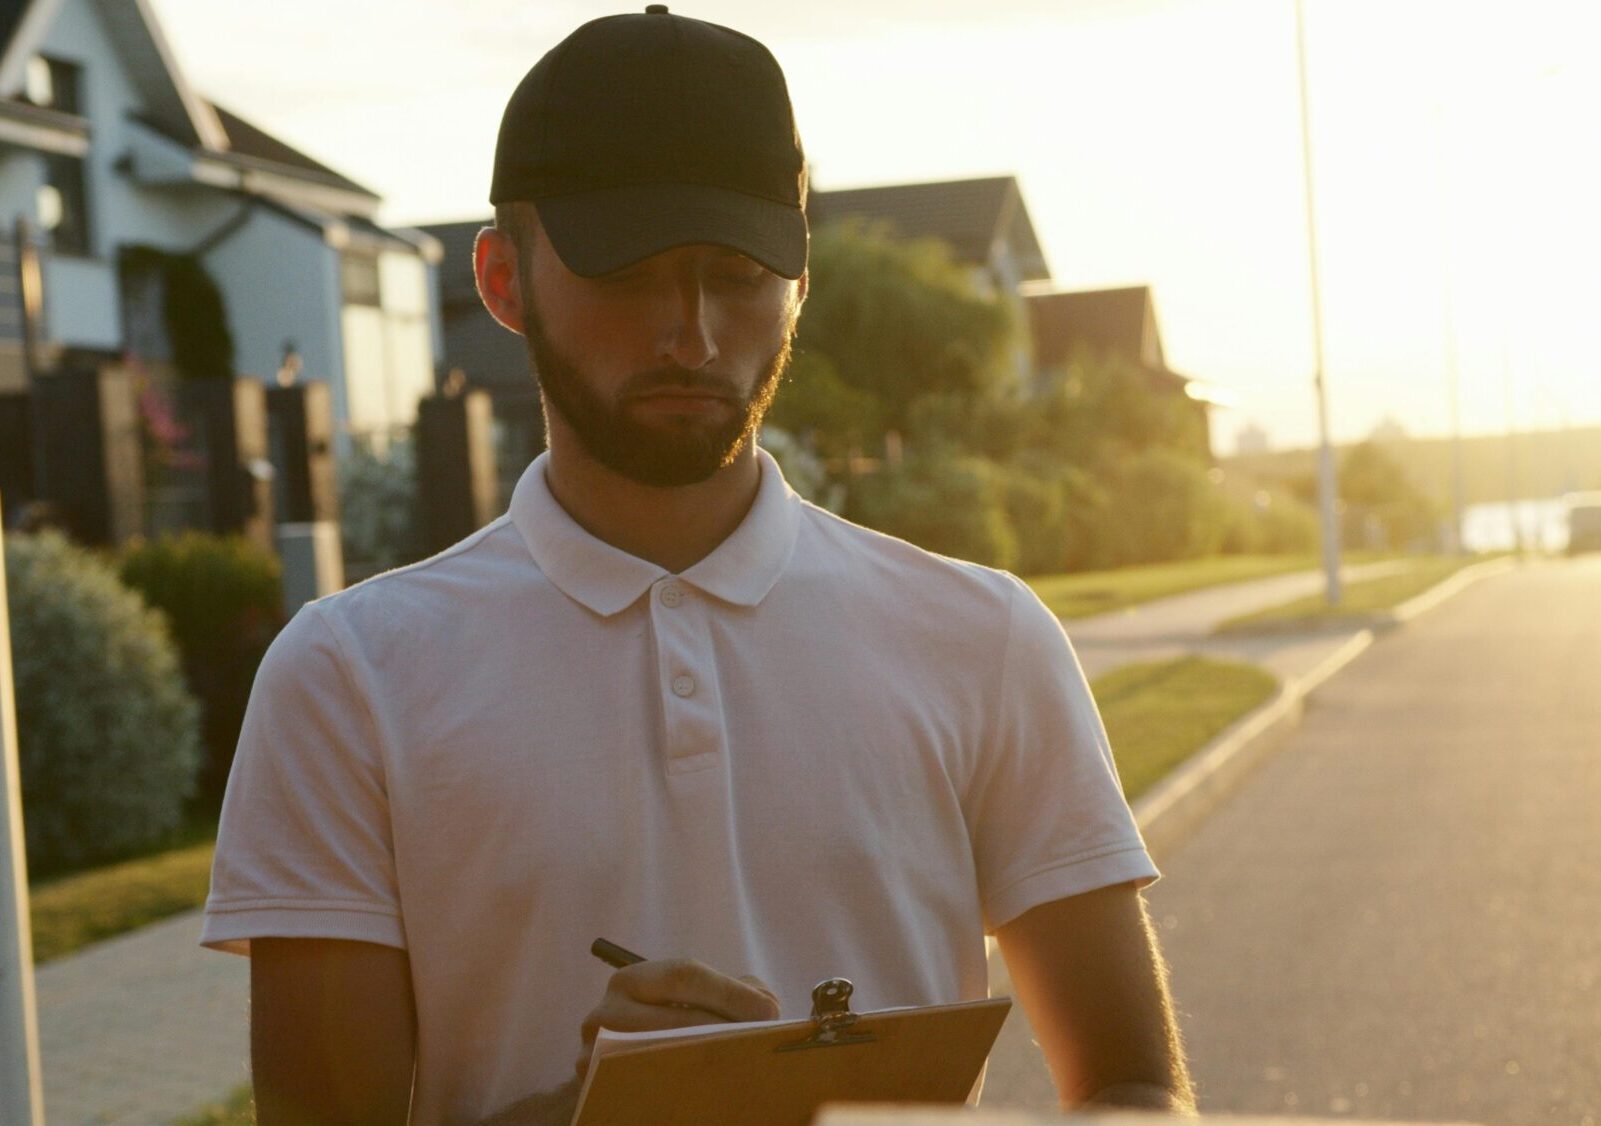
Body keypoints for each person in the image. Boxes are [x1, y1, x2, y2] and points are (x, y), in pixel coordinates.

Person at [201, 8, 1193, 1123]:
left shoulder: (986, 639)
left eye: (736, 273)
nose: (689, 331)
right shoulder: (350, 679)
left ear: (799, 284)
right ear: (501, 279)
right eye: (626, 273)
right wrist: (598, 1109)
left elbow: (1133, 1088)